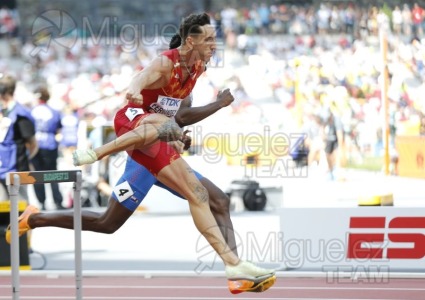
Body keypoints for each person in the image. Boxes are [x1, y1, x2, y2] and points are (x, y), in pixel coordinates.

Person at [6, 13, 276, 294]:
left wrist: (188, 126)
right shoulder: (165, 63)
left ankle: (236, 269)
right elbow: (140, 80)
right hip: (139, 143)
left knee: (215, 200)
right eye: (208, 40)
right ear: (190, 41)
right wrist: (139, 94)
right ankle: (44, 209)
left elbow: (179, 117)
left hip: (158, 148)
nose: (214, 47)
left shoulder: (194, 72)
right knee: (113, 216)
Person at [0, 74, 38, 201]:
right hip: (1, 169)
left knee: (19, 210)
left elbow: (33, 144)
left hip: (16, 171)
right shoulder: (2, 111)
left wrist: (24, 161)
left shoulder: (21, 114)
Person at [30, 86, 65, 210]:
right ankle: (58, 201)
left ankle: (42, 202)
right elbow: (58, 128)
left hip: (35, 145)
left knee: (37, 175)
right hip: (50, 144)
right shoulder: (54, 111)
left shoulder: (31, 111)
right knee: (53, 174)